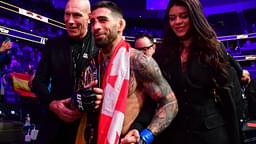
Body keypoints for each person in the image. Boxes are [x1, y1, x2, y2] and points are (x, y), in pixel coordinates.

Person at [154, 0, 242, 144]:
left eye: (184, 16)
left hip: (211, 134)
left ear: (195, 17)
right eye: (172, 18)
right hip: (175, 134)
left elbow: (229, 97)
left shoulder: (213, 50)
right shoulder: (163, 53)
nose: (178, 22)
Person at [89, 1, 178, 144]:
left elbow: (170, 103)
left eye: (103, 20)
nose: (96, 27)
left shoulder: (138, 62)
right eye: (92, 22)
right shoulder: (93, 64)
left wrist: (145, 136)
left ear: (120, 25)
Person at [32, 0, 101, 143]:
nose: (70, 21)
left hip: (89, 127)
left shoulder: (101, 46)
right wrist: (52, 104)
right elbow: (38, 81)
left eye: (76, 15)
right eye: (67, 14)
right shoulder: (53, 45)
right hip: (54, 125)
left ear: (89, 17)